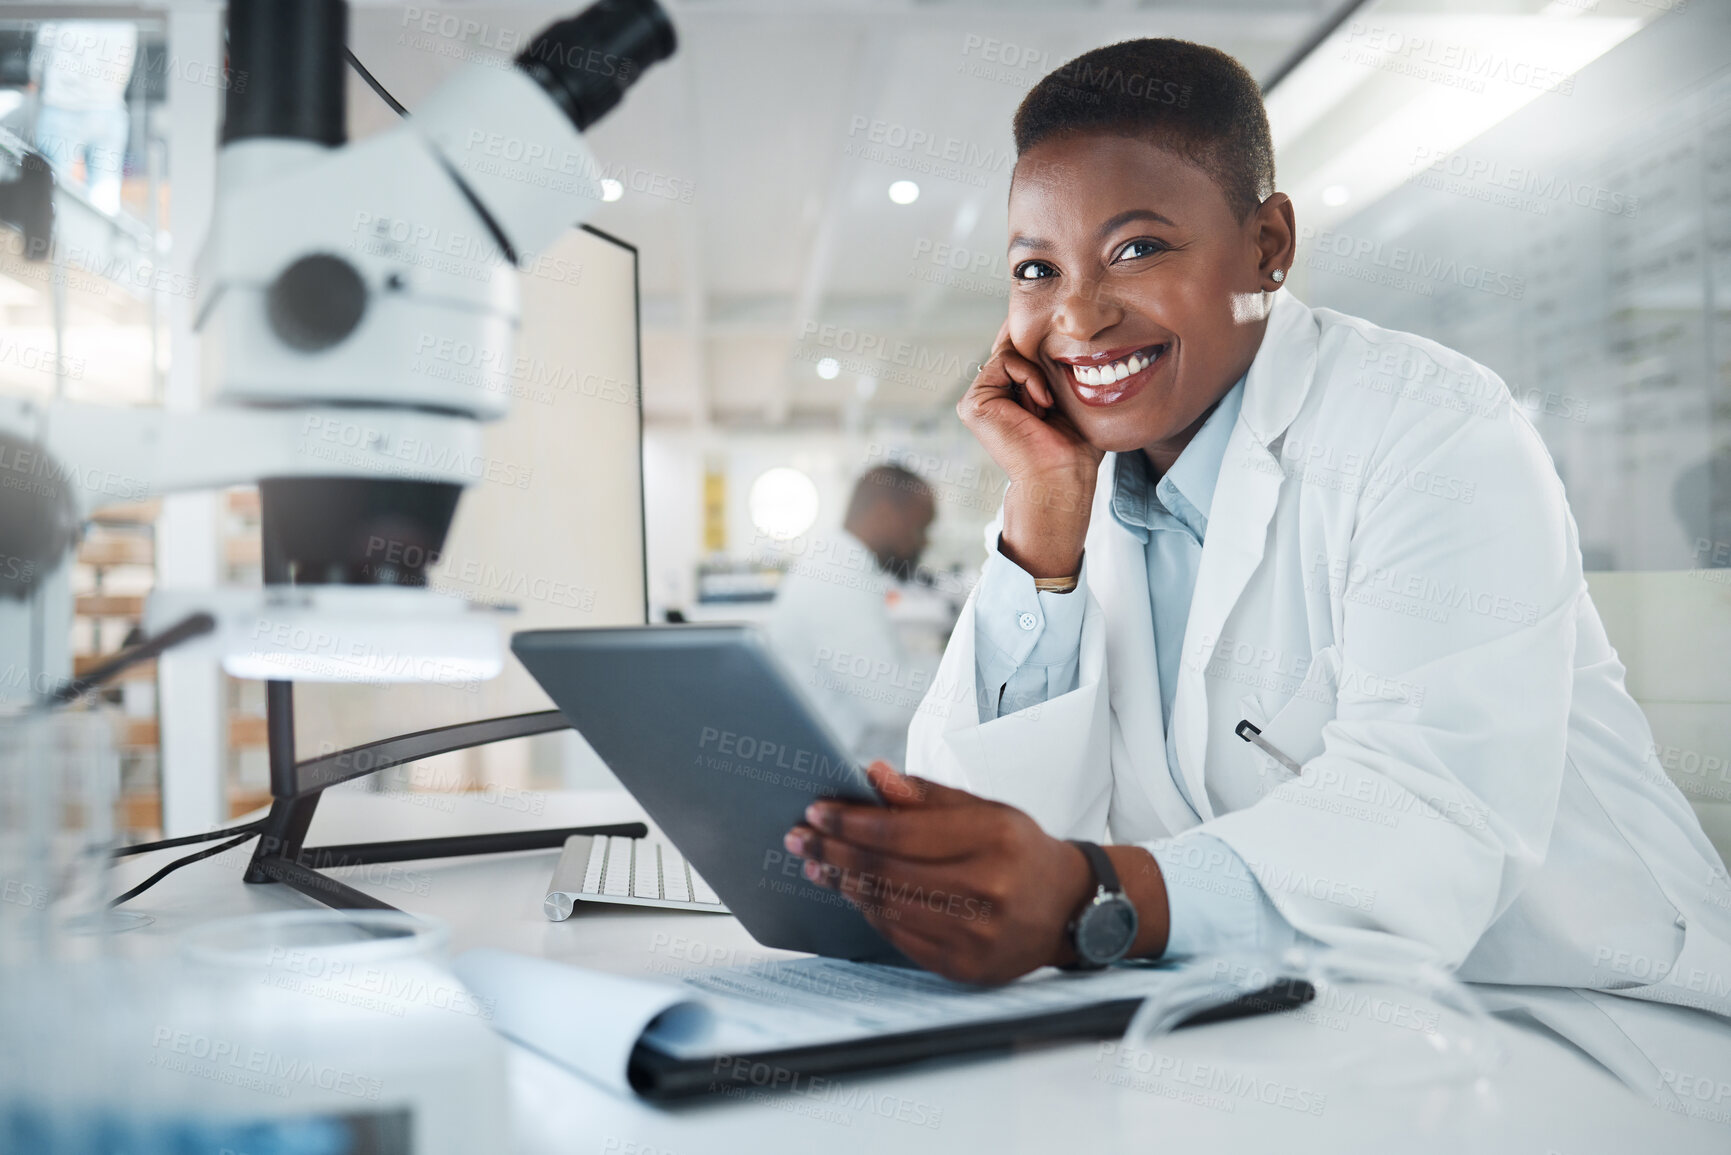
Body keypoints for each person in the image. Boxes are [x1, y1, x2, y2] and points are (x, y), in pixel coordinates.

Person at [780, 38, 1731, 1097]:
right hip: (1282, 1008)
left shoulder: (1432, 428)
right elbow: (990, 840)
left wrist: (1095, 895)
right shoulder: (1089, 494)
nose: (1079, 315)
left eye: (1136, 249)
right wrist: (1041, 524)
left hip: (1582, 1020)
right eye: (1035, 269)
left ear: (1267, 245)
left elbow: (1427, 817)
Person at [764, 466, 937, 768]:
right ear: (885, 515)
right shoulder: (836, 576)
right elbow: (891, 703)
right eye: (920, 528)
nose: (924, 543)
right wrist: (957, 668)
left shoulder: (841, 565)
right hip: (833, 770)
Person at [31, 21, 137, 216]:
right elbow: (126, 58)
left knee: (54, 192)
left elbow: (42, 51)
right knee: (105, 194)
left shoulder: (62, 10)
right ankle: (98, 245)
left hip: (62, 106)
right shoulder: (122, 16)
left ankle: (58, 243)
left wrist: (35, 80)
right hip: (108, 107)